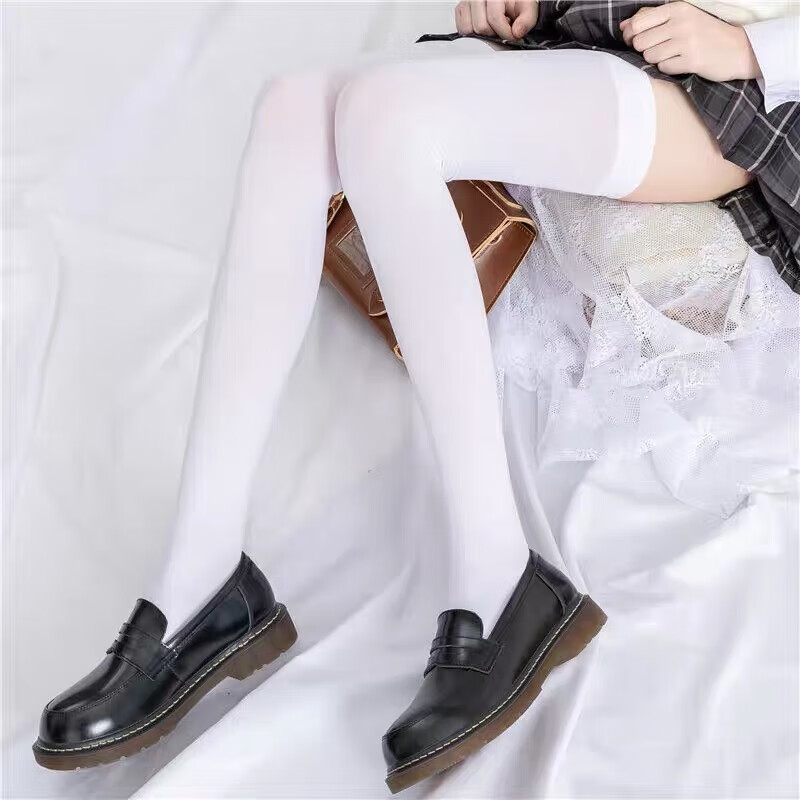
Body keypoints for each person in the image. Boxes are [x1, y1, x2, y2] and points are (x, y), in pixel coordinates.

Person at [32, 0, 799, 791]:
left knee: (389, 116)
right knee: (290, 108)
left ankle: (499, 578)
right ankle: (201, 575)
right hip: (594, 30)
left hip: (727, 85)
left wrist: (750, 47)